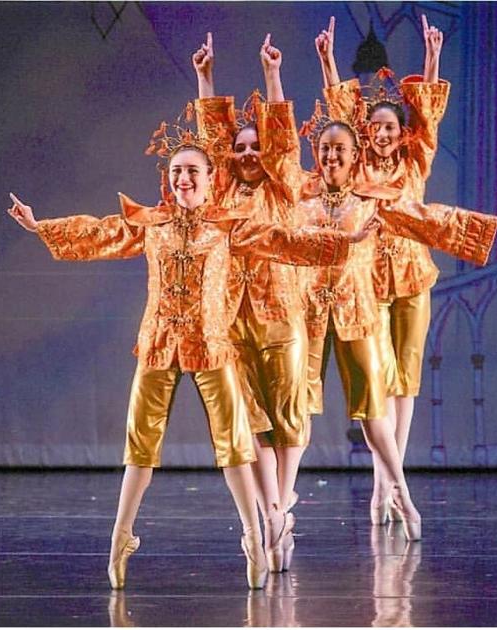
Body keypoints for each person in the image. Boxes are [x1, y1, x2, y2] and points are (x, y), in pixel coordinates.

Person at [6, 125, 376, 590]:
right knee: (140, 445)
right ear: (169, 179)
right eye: (177, 172)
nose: (183, 179)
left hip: (211, 347)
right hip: (158, 345)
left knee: (235, 446)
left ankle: (254, 538)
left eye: (192, 172)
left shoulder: (227, 227)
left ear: (209, 177)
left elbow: (284, 240)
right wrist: (41, 227)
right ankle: (120, 538)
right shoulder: (153, 224)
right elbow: (101, 233)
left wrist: (346, 241)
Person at [315, 15, 497, 524]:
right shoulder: (356, 166)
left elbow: (427, 116)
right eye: (375, 127)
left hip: (411, 278)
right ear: (365, 134)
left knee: (405, 381)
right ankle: (388, 483)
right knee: (376, 382)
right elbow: (339, 113)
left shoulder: (415, 160)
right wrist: (328, 61)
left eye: (390, 126)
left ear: (399, 132)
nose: (382, 133)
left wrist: (432, 58)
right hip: (367, 280)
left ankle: (388, 483)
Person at [191, 32, 309, 572]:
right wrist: (205, 79)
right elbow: (212, 142)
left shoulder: (281, 188)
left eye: (253, 147)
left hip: (280, 314)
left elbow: (282, 139)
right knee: (251, 419)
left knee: (288, 418)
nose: (246, 154)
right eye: (239, 149)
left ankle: (280, 507)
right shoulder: (219, 191)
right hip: (231, 321)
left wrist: (272, 75)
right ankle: (271, 514)